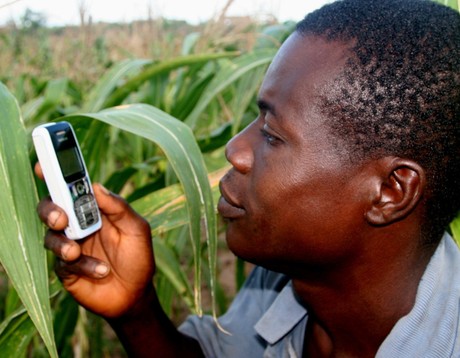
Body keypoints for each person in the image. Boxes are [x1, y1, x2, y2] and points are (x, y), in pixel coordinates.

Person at [36, 0, 460, 356]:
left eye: (272, 135)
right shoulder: (287, 274)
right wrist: (137, 310)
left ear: (390, 191)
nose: (235, 150)